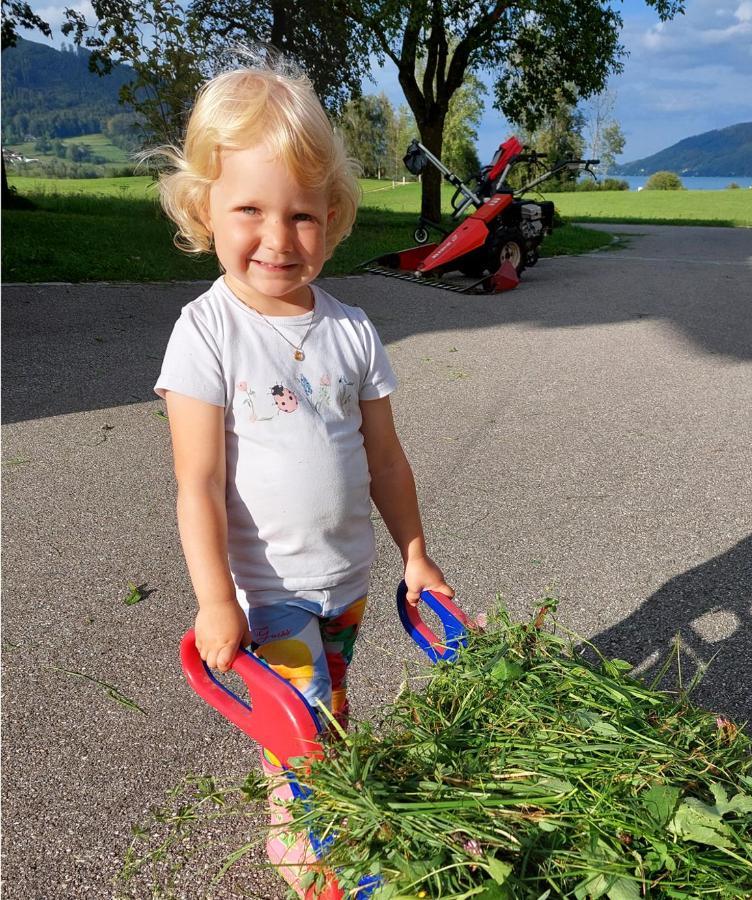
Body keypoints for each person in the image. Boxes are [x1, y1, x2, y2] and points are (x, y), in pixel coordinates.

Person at [151, 56, 453, 846]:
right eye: (250, 209)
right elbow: (199, 482)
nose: (278, 240)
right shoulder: (208, 333)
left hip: (345, 581)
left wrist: (415, 554)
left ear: (333, 214)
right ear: (202, 208)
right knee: (299, 731)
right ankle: (306, 847)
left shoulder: (351, 329)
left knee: (330, 702)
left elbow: (386, 460)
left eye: (302, 217)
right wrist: (218, 599)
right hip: (269, 587)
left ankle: (324, 812)